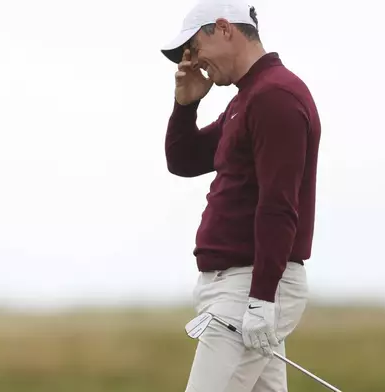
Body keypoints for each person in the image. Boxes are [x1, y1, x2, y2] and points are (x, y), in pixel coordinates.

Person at [160, 0, 321, 391]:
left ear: (223, 28)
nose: (194, 62)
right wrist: (186, 104)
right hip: (241, 288)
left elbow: (278, 205)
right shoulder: (247, 99)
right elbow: (184, 159)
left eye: (195, 49)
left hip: (251, 287)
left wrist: (261, 299)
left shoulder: (275, 96)